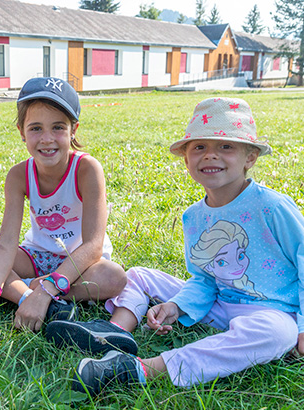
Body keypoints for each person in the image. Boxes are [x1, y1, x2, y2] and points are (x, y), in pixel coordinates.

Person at [46, 97, 304, 392]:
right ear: (186, 159)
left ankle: (142, 369)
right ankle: (115, 330)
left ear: (250, 158)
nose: (210, 156)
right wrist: (176, 306)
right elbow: (205, 279)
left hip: (274, 311)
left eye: (225, 146)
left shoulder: (271, 206)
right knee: (140, 274)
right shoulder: (194, 216)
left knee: (276, 334)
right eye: (199, 147)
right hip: (221, 303)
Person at [0, 77, 127, 332]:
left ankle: (23, 292)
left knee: (114, 277)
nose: (47, 139)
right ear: (21, 132)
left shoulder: (87, 169)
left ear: (74, 130)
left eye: (58, 127)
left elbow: (93, 246)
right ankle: (24, 298)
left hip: (82, 265)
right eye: (36, 128)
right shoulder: (18, 176)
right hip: (35, 255)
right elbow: (6, 243)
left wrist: (47, 288)